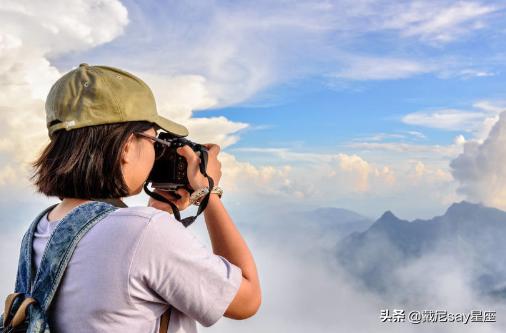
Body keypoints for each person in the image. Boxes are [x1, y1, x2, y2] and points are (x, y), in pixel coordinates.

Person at [26, 63, 261, 332]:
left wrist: (161, 207)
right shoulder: (144, 232)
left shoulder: (42, 228)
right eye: (153, 140)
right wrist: (209, 193)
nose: (157, 153)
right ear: (127, 147)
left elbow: (124, 274)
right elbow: (247, 299)